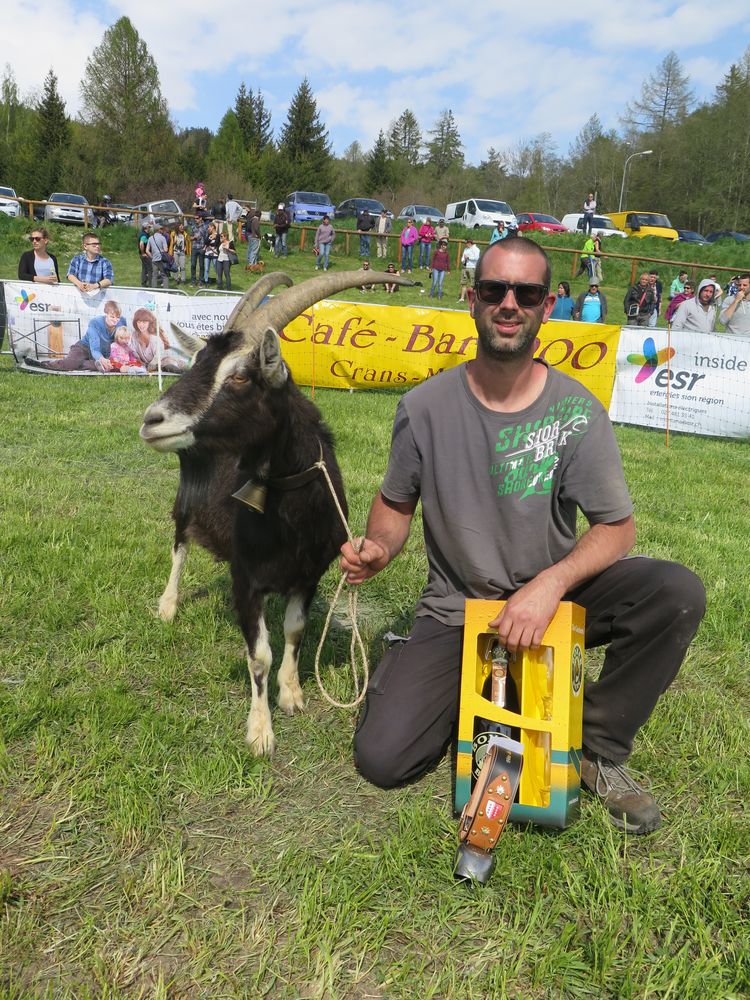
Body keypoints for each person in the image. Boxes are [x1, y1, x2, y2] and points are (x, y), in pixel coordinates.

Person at [340, 237, 705, 836]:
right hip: (460, 610)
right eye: (494, 290)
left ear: (548, 304)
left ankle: (595, 746)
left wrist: (549, 584)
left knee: (674, 591)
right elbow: (394, 505)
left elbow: (617, 528)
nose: (509, 304)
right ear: (472, 299)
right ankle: (425, 668)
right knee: (382, 759)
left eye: (526, 293)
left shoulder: (577, 413)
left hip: (552, 601)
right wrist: (378, 548)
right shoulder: (423, 407)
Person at [28, 300, 125, 371]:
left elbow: (121, 341)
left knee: (110, 366)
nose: (115, 320)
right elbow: (94, 348)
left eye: (118, 317)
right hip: (84, 347)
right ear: (106, 314)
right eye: (112, 316)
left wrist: (110, 358)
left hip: (103, 352)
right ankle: (43, 364)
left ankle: (83, 363)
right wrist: (101, 358)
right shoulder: (95, 323)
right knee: (69, 364)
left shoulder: (122, 322)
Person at [129, 307, 187, 374]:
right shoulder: (134, 335)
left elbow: (158, 356)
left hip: (164, 359)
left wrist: (150, 366)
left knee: (170, 364)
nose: (141, 325)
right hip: (149, 364)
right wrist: (142, 364)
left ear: (149, 322)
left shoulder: (154, 337)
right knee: (160, 367)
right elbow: (133, 352)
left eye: (144, 322)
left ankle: (182, 369)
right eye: (139, 322)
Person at [458, 238, 480, 302]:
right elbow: (463, 258)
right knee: (463, 283)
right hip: (465, 267)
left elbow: (477, 258)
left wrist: (469, 258)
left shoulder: (476, 249)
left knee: (472, 284)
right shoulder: (466, 249)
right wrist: (463, 260)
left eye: (466, 243)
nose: (465, 244)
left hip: (472, 267)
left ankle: (472, 298)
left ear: (469, 243)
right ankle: (462, 298)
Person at [190, 216, 207, 286]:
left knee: (201, 265)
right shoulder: (193, 227)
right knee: (193, 265)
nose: (195, 219)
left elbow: (199, 236)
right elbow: (191, 237)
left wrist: (194, 237)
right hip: (194, 247)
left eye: (197, 218)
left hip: (201, 248)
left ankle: (201, 281)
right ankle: (193, 281)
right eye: (195, 218)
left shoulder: (205, 227)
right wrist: (193, 237)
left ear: (201, 218)